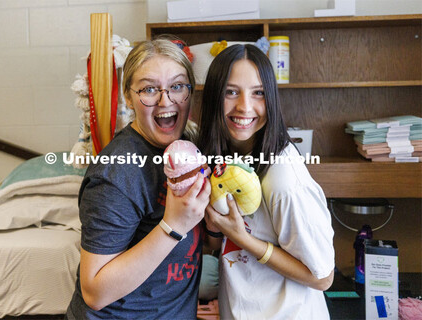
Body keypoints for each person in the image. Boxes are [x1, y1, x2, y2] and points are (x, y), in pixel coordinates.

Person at [66, 39, 211, 319]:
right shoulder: (116, 173)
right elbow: (95, 292)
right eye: (149, 89)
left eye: (177, 86)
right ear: (128, 97)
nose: (165, 100)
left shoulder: (190, 148)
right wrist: (173, 225)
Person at [198, 44, 335, 320]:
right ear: (214, 96)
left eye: (258, 93)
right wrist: (217, 229)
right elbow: (222, 243)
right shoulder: (229, 158)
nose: (244, 107)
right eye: (231, 92)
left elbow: (322, 277)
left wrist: (244, 239)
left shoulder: (284, 180)